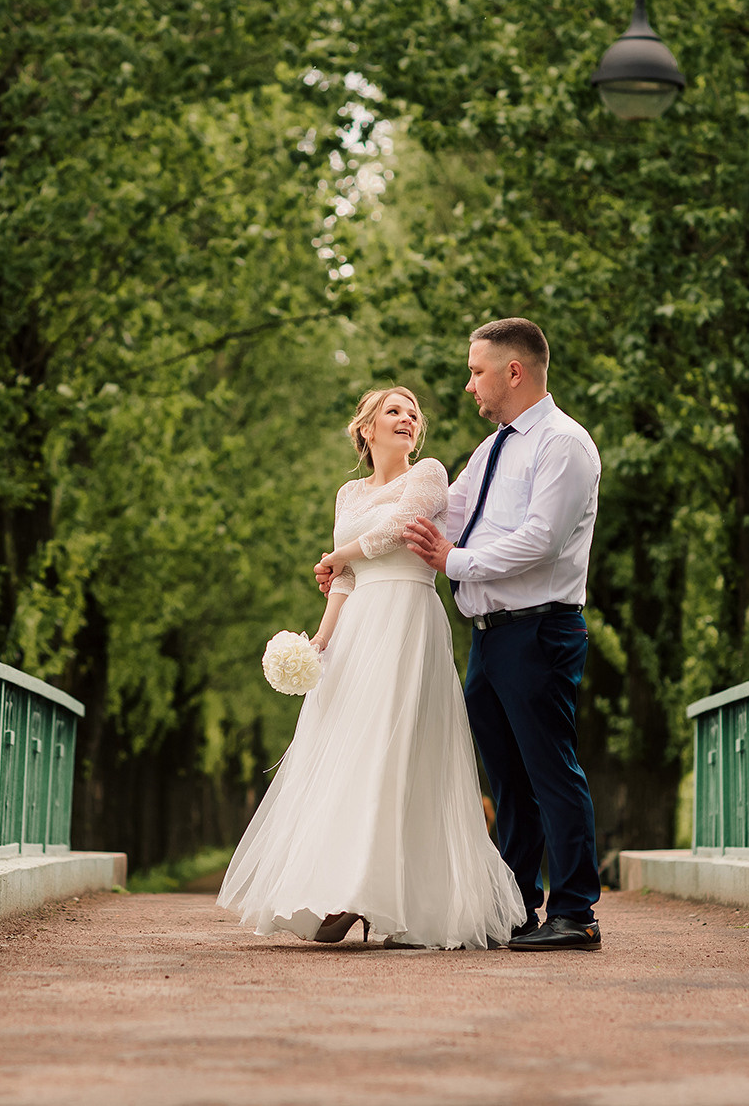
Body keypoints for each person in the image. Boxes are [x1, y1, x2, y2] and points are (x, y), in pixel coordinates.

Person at [217, 386, 527, 950]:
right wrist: (321, 640)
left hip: (408, 618)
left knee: (403, 754)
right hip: (359, 627)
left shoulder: (428, 475)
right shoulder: (348, 493)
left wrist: (339, 555)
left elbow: (396, 533)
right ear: (367, 429)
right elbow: (345, 581)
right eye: (394, 411)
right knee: (348, 754)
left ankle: (401, 900)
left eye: (413, 413)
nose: (407, 419)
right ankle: (346, 887)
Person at [399, 318, 604, 952]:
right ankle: (516, 906)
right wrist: (363, 542)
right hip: (488, 635)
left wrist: (452, 562)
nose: (468, 385)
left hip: (540, 630)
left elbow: (539, 543)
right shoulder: (491, 450)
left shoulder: (563, 445)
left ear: (514, 372)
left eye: (476, 370)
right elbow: (447, 513)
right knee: (509, 782)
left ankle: (576, 913)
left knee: (551, 772)